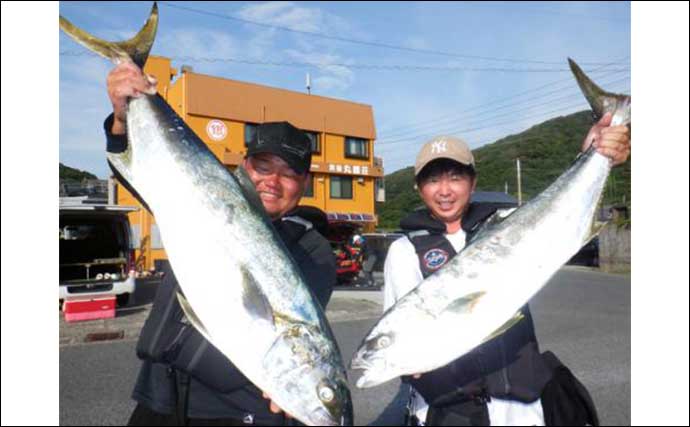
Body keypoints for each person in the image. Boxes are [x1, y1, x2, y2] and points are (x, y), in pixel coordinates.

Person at [104, 61, 337, 426]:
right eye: (263, 167)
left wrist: (291, 383)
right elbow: (138, 170)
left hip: (232, 412)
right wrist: (122, 117)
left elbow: (297, 337)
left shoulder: (314, 250)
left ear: (305, 182)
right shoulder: (200, 200)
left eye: (289, 173)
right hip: (158, 397)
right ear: (244, 167)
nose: (273, 181)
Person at [383, 120, 630, 426]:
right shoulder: (404, 251)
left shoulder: (510, 223)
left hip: (524, 410)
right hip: (445, 413)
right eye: (433, 180)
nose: (444, 191)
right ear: (419, 188)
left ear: (473, 183)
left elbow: (564, 207)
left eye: (456, 177)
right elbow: (402, 326)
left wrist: (596, 153)